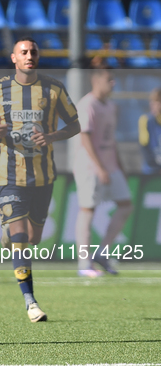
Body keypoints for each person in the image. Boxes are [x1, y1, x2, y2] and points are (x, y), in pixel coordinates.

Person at [0, 37, 80, 322]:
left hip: (43, 176)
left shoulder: (53, 88)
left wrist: (51, 135)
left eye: (33, 51)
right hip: (8, 175)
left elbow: (75, 124)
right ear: (14, 58)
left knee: (32, 238)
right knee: (21, 238)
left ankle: (10, 233)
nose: (29, 55)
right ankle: (31, 302)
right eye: (24, 52)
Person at [73, 68, 133, 277]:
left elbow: (111, 139)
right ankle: (84, 263)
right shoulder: (87, 104)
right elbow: (85, 137)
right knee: (87, 210)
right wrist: (99, 167)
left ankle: (102, 252)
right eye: (109, 79)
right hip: (90, 167)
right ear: (96, 80)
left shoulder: (111, 106)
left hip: (111, 166)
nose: (113, 83)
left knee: (126, 205)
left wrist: (119, 165)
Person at [139, 88, 161, 175]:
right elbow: (144, 147)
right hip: (152, 171)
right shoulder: (146, 120)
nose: (156, 105)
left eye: (158, 102)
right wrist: (157, 167)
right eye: (154, 102)